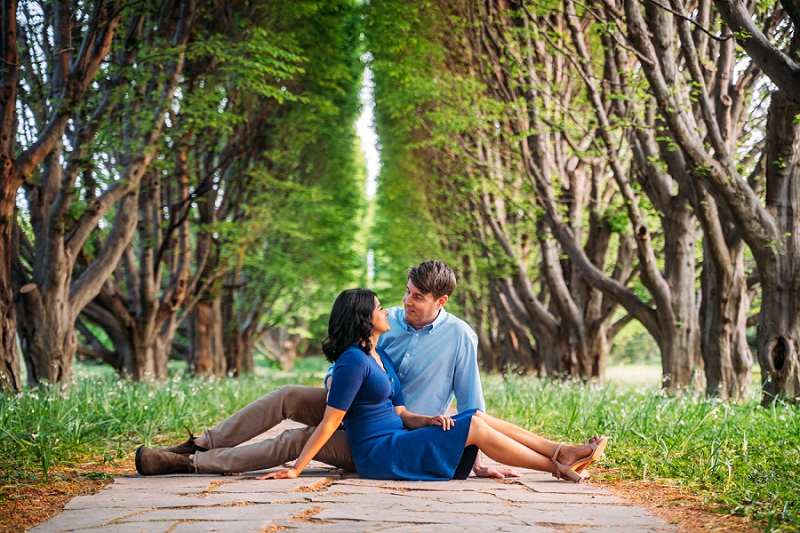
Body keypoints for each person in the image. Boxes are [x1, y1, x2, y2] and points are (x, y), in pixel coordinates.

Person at [135, 260, 592, 478]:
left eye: (416, 298)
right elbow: (351, 362)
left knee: (296, 441)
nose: (402, 304)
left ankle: (193, 464)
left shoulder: (460, 337)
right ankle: (201, 443)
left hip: (400, 430)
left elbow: (473, 405)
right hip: (364, 407)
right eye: (406, 292)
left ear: (441, 302)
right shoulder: (386, 325)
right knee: (288, 396)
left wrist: (474, 459)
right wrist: (339, 387)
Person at [258, 289, 607, 482]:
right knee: (474, 426)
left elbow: (399, 410)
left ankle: (560, 451)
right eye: (380, 308)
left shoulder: (379, 355)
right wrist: (296, 470)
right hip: (380, 454)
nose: (389, 310)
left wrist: (428, 420)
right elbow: (330, 421)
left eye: (414, 296)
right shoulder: (352, 360)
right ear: (365, 319)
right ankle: (556, 466)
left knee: (474, 417)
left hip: (398, 439)